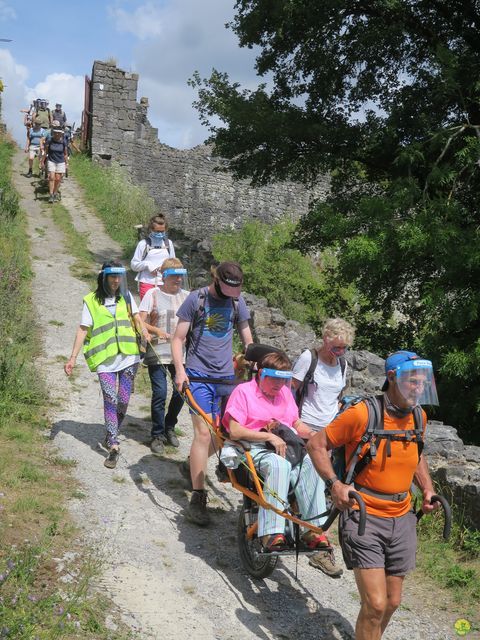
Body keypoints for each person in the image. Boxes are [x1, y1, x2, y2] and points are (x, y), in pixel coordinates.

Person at [307, 351, 439, 640]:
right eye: (412, 381)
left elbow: (416, 454)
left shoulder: (419, 415)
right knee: (376, 603)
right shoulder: (363, 413)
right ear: (392, 378)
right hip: (364, 515)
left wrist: (427, 488)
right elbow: (317, 444)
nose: (418, 388)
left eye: (423, 382)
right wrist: (335, 483)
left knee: (392, 602)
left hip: (402, 516)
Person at [223, 350, 336, 557]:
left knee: (312, 463)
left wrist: (314, 435)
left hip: (286, 447)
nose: (278, 384)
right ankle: (271, 533)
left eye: (283, 380)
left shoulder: (284, 393)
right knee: (279, 465)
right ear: (261, 375)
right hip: (252, 446)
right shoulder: (244, 391)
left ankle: (313, 530)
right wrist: (268, 437)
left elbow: (295, 423)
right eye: (273, 378)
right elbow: (234, 430)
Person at [171, 261, 253, 525]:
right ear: (217, 281)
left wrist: (253, 360)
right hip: (197, 377)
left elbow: (248, 339)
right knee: (204, 434)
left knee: (223, 435)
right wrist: (180, 371)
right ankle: (198, 497)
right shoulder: (197, 299)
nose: (233, 297)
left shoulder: (237, 303)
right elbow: (178, 338)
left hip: (227, 379)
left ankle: (190, 464)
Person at [64, 261, 150, 469]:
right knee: (110, 399)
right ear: (103, 277)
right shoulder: (91, 301)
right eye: (112, 276)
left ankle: (111, 431)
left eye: (119, 276)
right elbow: (83, 330)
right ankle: (113, 443)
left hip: (129, 357)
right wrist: (72, 357)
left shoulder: (127, 297)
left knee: (123, 401)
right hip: (105, 360)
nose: (116, 280)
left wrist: (144, 331)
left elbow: (137, 318)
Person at [139, 257, 189, 455]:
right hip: (157, 351)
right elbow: (139, 321)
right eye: (174, 276)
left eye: (180, 276)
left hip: (180, 354)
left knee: (181, 392)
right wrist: (156, 331)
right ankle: (157, 434)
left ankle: (170, 426)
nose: (178, 280)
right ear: (164, 277)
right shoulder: (152, 294)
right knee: (160, 393)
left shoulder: (187, 296)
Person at [292, 318, 355, 433]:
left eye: (344, 348)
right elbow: (289, 391)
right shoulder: (309, 358)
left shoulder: (342, 364)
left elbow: (337, 397)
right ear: (326, 340)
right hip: (307, 424)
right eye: (337, 347)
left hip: (332, 426)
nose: (340, 352)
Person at [130, 214, 175, 299]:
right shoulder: (143, 244)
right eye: (157, 231)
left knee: (163, 311)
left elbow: (173, 264)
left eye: (162, 231)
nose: (160, 234)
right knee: (147, 310)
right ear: (151, 229)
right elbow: (133, 265)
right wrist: (147, 265)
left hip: (164, 283)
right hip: (146, 282)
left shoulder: (169, 244)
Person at [44, 127, 68, 202]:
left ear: (61, 133)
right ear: (53, 133)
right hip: (51, 160)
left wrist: (67, 163)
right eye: (55, 132)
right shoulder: (50, 140)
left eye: (58, 132)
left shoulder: (63, 142)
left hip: (60, 161)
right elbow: (46, 152)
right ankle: (51, 195)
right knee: (51, 177)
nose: (57, 134)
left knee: (58, 179)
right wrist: (43, 161)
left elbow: (65, 153)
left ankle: (55, 193)